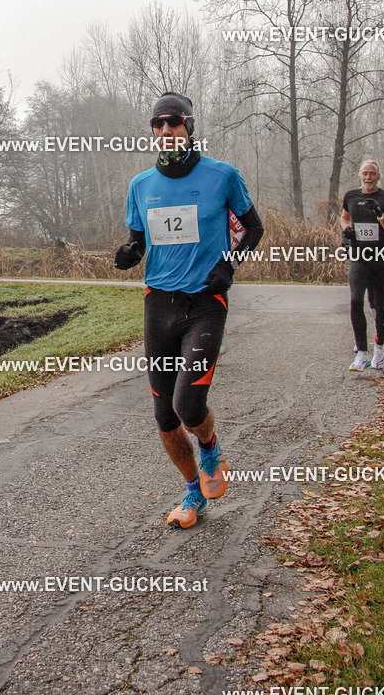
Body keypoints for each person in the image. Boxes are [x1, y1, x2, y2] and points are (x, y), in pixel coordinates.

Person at [114, 92, 264, 528]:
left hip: (205, 301)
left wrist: (228, 266)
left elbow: (253, 228)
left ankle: (211, 447)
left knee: (188, 403)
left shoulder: (222, 175)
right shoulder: (141, 186)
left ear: (189, 127)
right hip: (158, 303)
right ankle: (194, 492)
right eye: (157, 124)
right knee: (164, 415)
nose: (165, 131)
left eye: (173, 122)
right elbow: (139, 240)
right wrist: (129, 252)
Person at [341, 160, 384, 372]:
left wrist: (381, 217)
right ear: (360, 175)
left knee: (379, 305)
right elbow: (344, 218)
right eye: (365, 173)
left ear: (378, 176)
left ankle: (379, 349)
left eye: (372, 174)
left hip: (382, 258)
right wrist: (346, 231)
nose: (368, 177)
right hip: (359, 256)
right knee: (356, 301)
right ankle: (362, 353)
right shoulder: (351, 196)